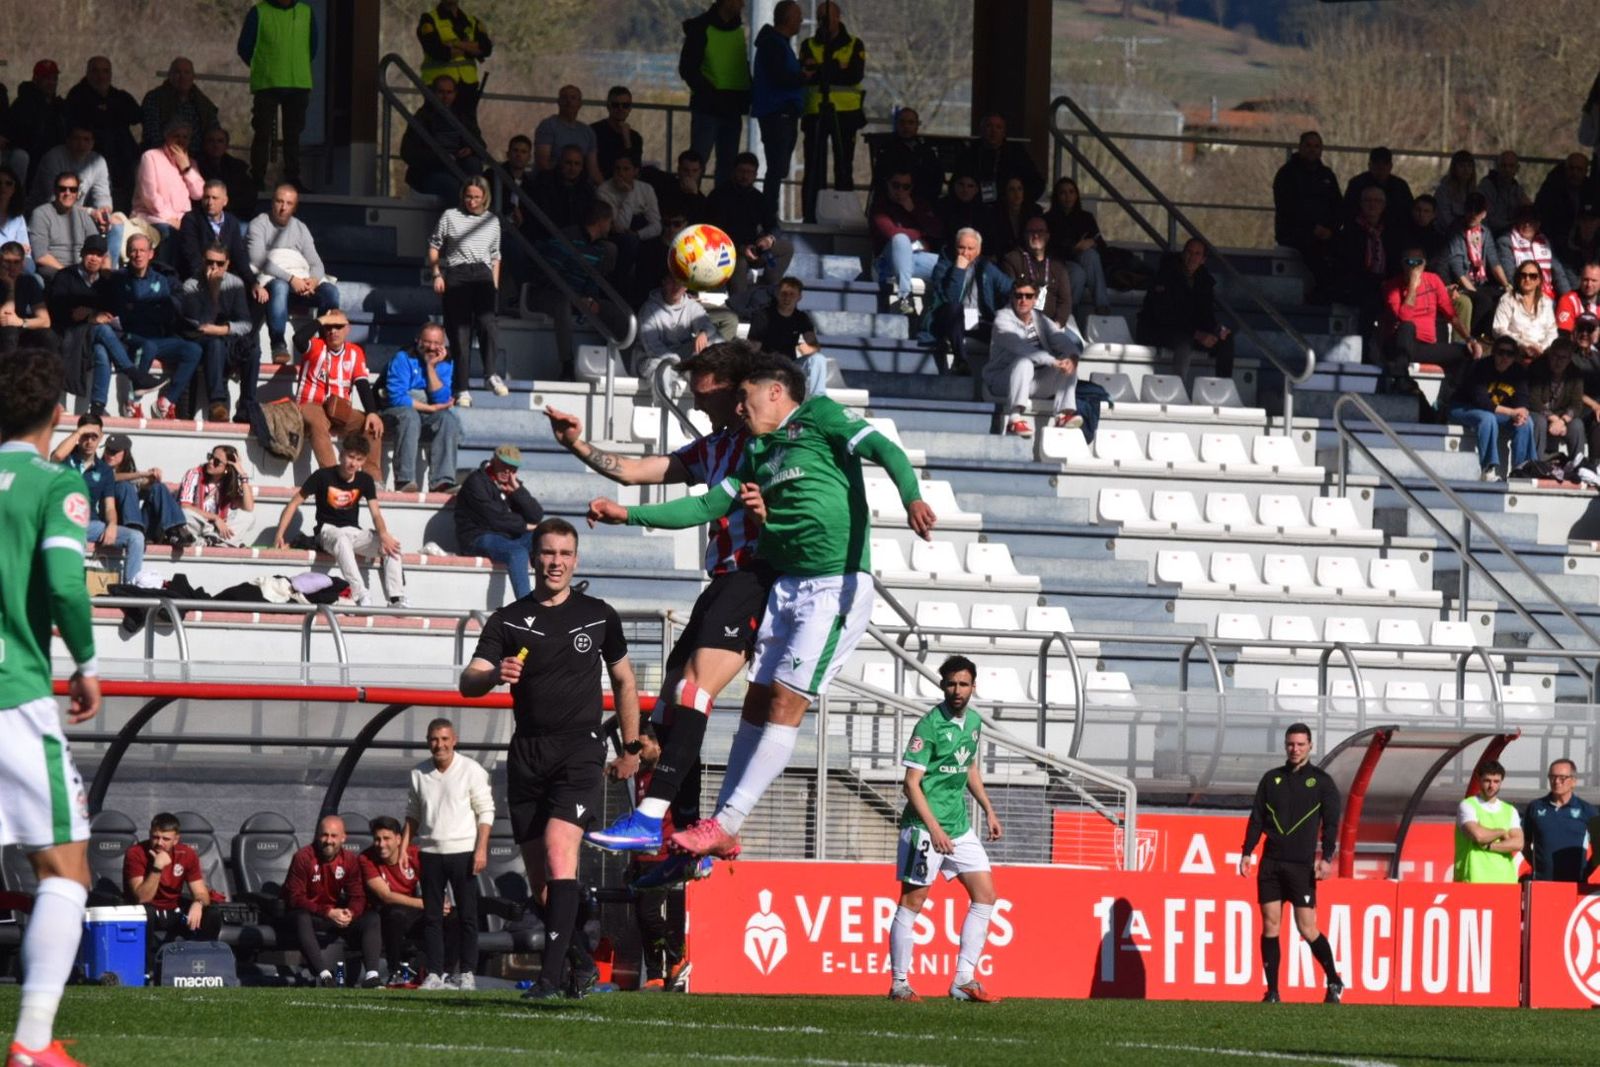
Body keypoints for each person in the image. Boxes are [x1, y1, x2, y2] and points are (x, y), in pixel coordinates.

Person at [588, 352, 936, 860]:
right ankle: (716, 827)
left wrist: (912, 497)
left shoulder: (820, 416)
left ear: (776, 392)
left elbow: (885, 449)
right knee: (755, 702)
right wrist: (629, 514)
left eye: (746, 398)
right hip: (787, 588)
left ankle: (725, 821)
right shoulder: (756, 452)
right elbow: (707, 505)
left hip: (834, 584)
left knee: (785, 703)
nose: (740, 409)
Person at [552, 345, 767, 879]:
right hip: (722, 582)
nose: (693, 389)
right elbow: (631, 470)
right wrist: (577, 443)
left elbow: (703, 506)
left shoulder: (758, 446)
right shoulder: (713, 446)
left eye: (701, 378)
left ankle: (654, 817)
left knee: (693, 692)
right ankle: (684, 835)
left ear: (728, 384)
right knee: (670, 703)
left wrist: (628, 516)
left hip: (755, 579)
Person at [459, 518, 643, 1000]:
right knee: (543, 886)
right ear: (534, 557)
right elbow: (468, 680)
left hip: (580, 749)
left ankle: (549, 980)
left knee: (563, 854)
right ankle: (581, 964)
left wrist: (630, 745)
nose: (555, 562)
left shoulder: (599, 615)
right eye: (547, 553)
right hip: (527, 755)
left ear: (575, 559)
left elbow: (624, 682)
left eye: (564, 553)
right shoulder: (509, 619)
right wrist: (496, 674)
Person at [0, 348, 100, 1067]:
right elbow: (66, 584)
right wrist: (88, 664)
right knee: (65, 871)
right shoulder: (55, 481)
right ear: (57, 413)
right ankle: (33, 1041)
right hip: (13, 696)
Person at [887, 656, 1003, 1004]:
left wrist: (988, 808)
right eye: (951, 684)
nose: (957, 690)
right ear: (942, 686)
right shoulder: (929, 725)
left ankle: (963, 980)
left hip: (959, 826)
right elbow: (911, 784)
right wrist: (934, 829)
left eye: (963, 684)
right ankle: (899, 984)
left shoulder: (974, 723)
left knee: (985, 896)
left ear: (973, 687)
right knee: (913, 902)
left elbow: (968, 766)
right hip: (924, 828)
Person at [1237, 722, 1344, 1004]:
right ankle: (1272, 991)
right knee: (1270, 925)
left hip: (1301, 865)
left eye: (1300, 744)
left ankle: (1333, 979)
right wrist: (1247, 851)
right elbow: (1257, 818)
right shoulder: (1271, 779)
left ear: (1310, 745)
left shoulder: (1321, 782)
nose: (1295, 749)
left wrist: (1327, 857)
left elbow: (1331, 825)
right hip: (1271, 863)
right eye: (1290, 744)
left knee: (1306, 927)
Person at [400, 718, 494, 991]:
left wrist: (481, 848)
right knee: (432, 916)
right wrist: (405, 848)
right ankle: (435, 973)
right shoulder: (419, 773)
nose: (439, 745)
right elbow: (413, 814)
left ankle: (466, 973)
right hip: (430, 853)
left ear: (454, 740)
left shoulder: (471, 770)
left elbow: (485, 811)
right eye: (433, 739)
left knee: (467, 915)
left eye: (444, 739)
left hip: (463, 852)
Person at [273, 433, 407, 607]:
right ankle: (360, 594)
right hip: (327, 531)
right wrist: (279, 534)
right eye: (351, 457)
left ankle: (396, 598)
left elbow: (376, 513)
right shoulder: (322, 476)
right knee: (342, 540)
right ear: (341, 454)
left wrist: (383, 535)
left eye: (359, 459)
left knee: (392, 542)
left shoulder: (365, 480)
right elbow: (294, 503)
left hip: (353, 532)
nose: (354, 463)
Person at [46, 236, 159, 419]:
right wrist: (89, 316)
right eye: (90, 253)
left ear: (104, 258)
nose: (94, 258)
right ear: (82, 254)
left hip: (93, 337)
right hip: (68, 333)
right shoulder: (65, 276)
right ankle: (133, 373)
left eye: (99, 255)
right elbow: (58, 311)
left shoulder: (106, 282)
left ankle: (97, 407)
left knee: (101, 351)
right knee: (102, 331)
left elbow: (111, 312)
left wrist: (94, 314)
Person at [986, 281, 1101, 440]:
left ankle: (1063, 415)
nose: (1023, 300)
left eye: (1028, 296)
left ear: (1035, 299)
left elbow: (1063, 341)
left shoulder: (1040, 319)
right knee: (1024, 362)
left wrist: (1072, 358)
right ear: (1012, 297)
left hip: (1034, 381)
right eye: (1019, 295)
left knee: (1068, 365)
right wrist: (1053, 361)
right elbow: (1023, 348)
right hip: (1002, 380)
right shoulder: (1002, 319)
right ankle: (1014, 418)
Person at [621, 726, 691, 990]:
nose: (640, 752)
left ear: (659, 747)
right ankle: (655, 975)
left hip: (663, 857)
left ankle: (676, 957)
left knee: (648, 912)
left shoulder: (668, 778)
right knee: (642, 917)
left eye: (644, 745)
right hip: (642, 858)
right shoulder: (640, 776)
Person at [282, 815, 383, 988]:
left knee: (372, 918)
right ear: (317, 836)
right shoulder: (303, 857)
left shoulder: (350, 860)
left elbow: (358, 896)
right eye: (324, 835)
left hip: (332, 916)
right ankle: (324, 976)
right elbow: (295, 898)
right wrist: (327, 912)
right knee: (301, 917)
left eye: (334, 836)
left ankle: (372, 976)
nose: (328, 840)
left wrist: (350, 913)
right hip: (310, 915)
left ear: (343, 838)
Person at [429, 176, 503, 403]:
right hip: (457, 273)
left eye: (477, 197)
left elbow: (495, 256)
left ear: (485, 198)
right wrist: (437, 274)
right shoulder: (450, 216)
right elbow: (434, 245)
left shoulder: (492, 221)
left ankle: (490, 373)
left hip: (482, 275)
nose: (472, 201)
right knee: (460, 333)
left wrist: (495, 284)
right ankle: (461, 387)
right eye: (469, 196)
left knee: (487, 325)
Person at [122, 812, 223, 977]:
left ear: (176, 839)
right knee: (145, 912)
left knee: (211, 914)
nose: (159, 843)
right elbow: (142, 897)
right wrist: (157, 868)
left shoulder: (186, 854)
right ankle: (146, 972)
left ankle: (200, 968)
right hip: (147, 913)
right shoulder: (136, 853)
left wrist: (198, 903)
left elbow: (201, 893)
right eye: (155, 837)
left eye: (165, 839)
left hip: (173, 913)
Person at [247, 183, 340, 363]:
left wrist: (313, 280)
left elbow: (316, 262)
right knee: (280, 286)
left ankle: (323, 341)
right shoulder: (258, 224)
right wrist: (291, 279)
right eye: (279, 202)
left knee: (331, 292)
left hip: (302, 282)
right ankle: (278, 343)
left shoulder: (300, 228)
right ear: (272, 202)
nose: (283, 208)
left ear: (295, 207)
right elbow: (259, 260)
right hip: (277, 283)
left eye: (289, 203)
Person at [115, 232, 202, 421]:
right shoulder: (120, 279)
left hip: (157, 336)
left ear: (151, 254)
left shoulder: (161, 280)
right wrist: (150, 307)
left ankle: (167, 401)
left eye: (142, 251)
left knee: (193, 350)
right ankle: (132, 401)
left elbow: (166, 312)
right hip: (131, 336)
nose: (138, 255)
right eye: (134, 251)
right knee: (148, 346)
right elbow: (125, 313)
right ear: (128, 254)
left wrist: (142, 307)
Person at [237, 0, 319, 190]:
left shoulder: (306, 12)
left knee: (293, 135)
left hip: (297, 83)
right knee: (262, 132)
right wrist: (263, 67)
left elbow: (312, 46)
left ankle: (292, 178)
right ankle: (257, 178)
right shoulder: (259, 12)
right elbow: (244, 47)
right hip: (268, 84)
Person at [1382, 245, 1481, 401]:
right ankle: (1400, 378)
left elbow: (1451, 315)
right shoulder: (1392, 286)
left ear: (1425, 263)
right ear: (1402, 264)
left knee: (1466, 353)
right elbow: (1404, 318)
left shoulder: (1433, 280)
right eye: (1409, 262)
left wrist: (1470, 339)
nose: (1414, 266)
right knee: (1408, 326)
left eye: (1418, 262)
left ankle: (1448, 398)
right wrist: (1413, 287)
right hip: (1401, 345)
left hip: (1425, 346)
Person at [291, 309, 384, 473]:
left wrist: (372, 412)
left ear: (347, 329)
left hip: (339, 411)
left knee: (371, 424)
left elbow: (362, 384)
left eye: (338, 326)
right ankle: (332, 475)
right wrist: (322, 319)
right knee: (317, 422)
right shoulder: (316, 346)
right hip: (310, 405)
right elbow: (298, 339)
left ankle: (372, 479)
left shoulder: (355, 352)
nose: (333, 331)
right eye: (329, 327)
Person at [798, 1, 866, 223]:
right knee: (813, 167)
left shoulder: (854, 44)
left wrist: (821, 69)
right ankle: (811, 215)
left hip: (846, 114)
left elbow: (854, 75)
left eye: (827, 17)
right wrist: (837, 67)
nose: (823, 22)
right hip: (815, 112)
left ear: (839, 18)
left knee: (844, 167)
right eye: (820, 18)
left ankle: (843, 216)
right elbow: (807, 72)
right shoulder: (809, 44)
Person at [453, 444, 544, 602]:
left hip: (506, 538)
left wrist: (517, 490)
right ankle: (527, 606)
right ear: (494, 461)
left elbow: (536, 515)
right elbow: (494, 518)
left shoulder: (509, 484)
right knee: (517, 553)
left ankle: (553, 594)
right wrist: (524, 526)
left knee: (546, 537)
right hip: (477, 537)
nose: (508, 471)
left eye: (513, 468)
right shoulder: (476, 481)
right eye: (504, 465)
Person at [178, 241, 255, 423]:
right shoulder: (191, 286)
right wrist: (214, 292)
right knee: (215, 343)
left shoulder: (235, 283)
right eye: (210, 262)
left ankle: (247, 404)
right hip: (202, 341)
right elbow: (201, 325)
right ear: (203, 262)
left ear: (227, 264)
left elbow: (246, 323)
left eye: (220, 264)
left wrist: (223, 329)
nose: (214, 267)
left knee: (253, 350)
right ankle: (217, 403)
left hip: (226, 337)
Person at [1137, 237, 1234, 382]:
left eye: (1197, 254)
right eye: (1189, 252)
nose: (1192, 257)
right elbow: (1164, 315)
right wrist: (1196, 334)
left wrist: (1217, 329)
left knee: (1226, 340)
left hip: (1189, 331)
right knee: (1184, 343)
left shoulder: (1204, 281)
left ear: (1203, 259)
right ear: (1183, 254)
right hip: (1157, 329)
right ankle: (1178, 388)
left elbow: (1206, 314)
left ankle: (1223, 386)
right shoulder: (1165, 275)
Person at [680, 0, 751, 188]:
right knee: (697, 164)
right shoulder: (701, 28)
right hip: (709, 108)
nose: (743, 4)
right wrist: (710, 93)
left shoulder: (737, 29)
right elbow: (687, 69)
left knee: (727, 167)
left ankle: (720, 211)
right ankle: (691, 207)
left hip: (730, 108)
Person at [384, 322, 461, 492]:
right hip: (391, 413)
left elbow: (441, 399)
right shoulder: (403, 358)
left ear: (443, 345)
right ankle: (405, 480)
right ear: (418, 340)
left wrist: (431, 367)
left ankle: (442, 481)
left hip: (422, 414)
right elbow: (396, 398)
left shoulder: (446, 363)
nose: (432, 347)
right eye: (427, 342)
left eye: (437, 343)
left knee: (447, 420)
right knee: (409, 416)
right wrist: (430, 408)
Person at [924, 227, 1012, 375]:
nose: (965, 253)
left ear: (978, 250)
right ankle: (960, 361)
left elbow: (1009, 287)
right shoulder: (943, 266)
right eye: (961, 247)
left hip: (978, 321)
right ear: (955, 247)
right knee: (954, 309)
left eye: (970, 249)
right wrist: (958, 270)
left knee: (1006, 329)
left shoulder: (986, 267)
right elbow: (951, 299)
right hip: (951, 321)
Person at [1448, 335, 1535, 481]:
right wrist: (1513, 412)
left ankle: (1521, 469)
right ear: (1494, 353)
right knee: (1487, 418)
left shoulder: (1518, 371)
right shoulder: (1480, 367)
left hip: (1495, 412)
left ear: (1515, 357)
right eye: (1501, 352)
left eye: (1510, 354)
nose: (1505, 357)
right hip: (1463, 407)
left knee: (1527, 423)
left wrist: (1522, 412)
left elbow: (1523, 399)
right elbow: (1481, 401)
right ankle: (1488, 468)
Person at [708, 152, 793, 299]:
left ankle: (767, 287)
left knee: (786, 247)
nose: (745, 176)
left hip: (756, 249)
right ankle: (741, 304)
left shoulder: (759, 198)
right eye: (741, 171)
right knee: (739, 264)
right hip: (728, 251)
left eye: (750, 172)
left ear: (755, 175)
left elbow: (773, 225)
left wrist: (769, 239)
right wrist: (740, 248)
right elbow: (714, 233)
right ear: (734, 171)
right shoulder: (719, 196)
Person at [359, 815, 431, 985]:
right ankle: (396, 972)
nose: (381, 844)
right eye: (377, 839)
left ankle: (444, 972)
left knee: (452, 917)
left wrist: (438, 904)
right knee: (395, 913)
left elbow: (433, 883)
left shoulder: (414, 854)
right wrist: (424, 904)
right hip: (384, 912)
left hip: (412, 909)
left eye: (386, 838)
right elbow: (386, 896)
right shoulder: (366, 858)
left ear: (399, 839)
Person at [750, 2, 806, 221]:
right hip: (777, 112)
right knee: (776, 166)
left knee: (778, 167)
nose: (801, 21)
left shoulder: (778, 44)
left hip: (781, 112)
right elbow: (780, 76)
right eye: (798, 17)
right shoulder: (773, 45)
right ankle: (768, 214)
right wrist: (803, 77)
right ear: (788, 18)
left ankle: (768, 212)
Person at [63, 57, 140, 210]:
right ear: (88, 73)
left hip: (123, 158)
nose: (101, 76)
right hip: (91, 154)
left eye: (105, 71)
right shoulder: (77, 95)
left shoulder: (118, 96)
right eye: (96, 71)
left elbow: (136, 115)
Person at [1272, 131, 1341, 299]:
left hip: (1325, 231)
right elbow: (1287, 208)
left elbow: (1338, 205)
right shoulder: (1286, 175)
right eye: (1308, 146)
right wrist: (1312, 228)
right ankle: (1320, 295)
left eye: (1317, 146)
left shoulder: (1327, 175)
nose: (1312, 150)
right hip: (1295, 232)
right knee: (1318, 254)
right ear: (1300, 147)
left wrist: (1331, 228)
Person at [101, 433, 195, 549]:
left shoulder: (131, 473)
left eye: (114, 452)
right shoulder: (98, 469)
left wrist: (151, 480)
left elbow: (141, 486)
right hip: (118, 525)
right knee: (125, 486)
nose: (110, 455)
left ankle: (176, 530)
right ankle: (135, 532)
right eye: (108, 450)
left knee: (158, 487)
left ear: (125, 453)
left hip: (140, 526)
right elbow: (111, 477)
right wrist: (142, 474)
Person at [871, 167, 942, 315]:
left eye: (905, 187)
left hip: (917, 259)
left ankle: (943, 309)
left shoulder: (918, 205)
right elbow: (891, 232)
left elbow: (936, 230)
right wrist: (919, 232)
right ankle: (904, 298)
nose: (900, 191)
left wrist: (914, 210)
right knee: (901, 239)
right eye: (896, 185)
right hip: (889, 261)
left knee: (949, 266)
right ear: (888, 184)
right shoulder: (880, 206)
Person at [400, 75, 483, 201]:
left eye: (449, 92)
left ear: (455, 94)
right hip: (431, 173)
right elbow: (408, 151)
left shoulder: (462, 115)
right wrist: (439, 158)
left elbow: (480, 144)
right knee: (455, 189)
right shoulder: (423, 116)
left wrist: (470, 149)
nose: (445, 97)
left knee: (474, 168)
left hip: (458, 168)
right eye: (441, 92)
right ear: (433, 93)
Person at [1440, 193, 1508, 340]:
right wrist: (1474, 291)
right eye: (1469, 210)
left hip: (1480, 281)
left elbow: (1494, 262)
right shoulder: (1456, 231)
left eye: (1477, 211)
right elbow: (1456, 267)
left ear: (1484, 214)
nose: (1472, 215)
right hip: (1460, 284)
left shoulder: (1485, 232)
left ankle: (1488, 337)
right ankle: (1471, 337)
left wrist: (1507, 285)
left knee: (1502, 296)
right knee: (1483, 301)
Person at [595, 155, 661, 301]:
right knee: (629, 242)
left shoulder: (646, 189)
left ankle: (644, 299)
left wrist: (638, 234)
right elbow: (620, 226)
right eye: (617, 169)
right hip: (614, 234)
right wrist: (628, 194)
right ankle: (619, 294)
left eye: (626, 169)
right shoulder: (604, 190)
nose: (621, 173)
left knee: (651, 247)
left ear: (635, 171)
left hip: (638, 233)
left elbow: (657, 225)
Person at [748, 276, 826, 399]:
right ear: (777, 294)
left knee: (818, 359)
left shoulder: (801, 317)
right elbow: (753, 347)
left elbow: (814, 345)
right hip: (766, 364)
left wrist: (809, 349)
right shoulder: (763, 315)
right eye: (784, 293)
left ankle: (819, 399)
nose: (787, 297)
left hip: (790, 365)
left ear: (799, 297)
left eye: (792, 294)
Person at [416, 1, 493, 124]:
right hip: (438, 88)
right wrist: (470, 48)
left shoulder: (472, 21)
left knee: (468, 131)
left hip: (467, 87)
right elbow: (438, 51)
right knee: (435, 128)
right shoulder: (429, 19)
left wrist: (455, 44)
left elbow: (486, 49)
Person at [1043, 177, 1110, 315]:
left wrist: (1092, 242)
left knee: (1091, 255)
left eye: (1071, 192)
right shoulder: (1048, 219)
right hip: (1059, 262)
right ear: (1057, 196)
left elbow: (1103, 247)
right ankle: (1067, 313)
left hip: (1082, 259)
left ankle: (1102, 306)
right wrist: (1072, 248)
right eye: (1063, 193)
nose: (1068, 196)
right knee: (1078, 273)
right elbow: (1048, 250)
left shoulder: (1086, 217)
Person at [1523, 759, 1597, 883]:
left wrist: (1585, 871)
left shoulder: (1587, 810)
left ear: (1573, 781)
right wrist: (1538, 867)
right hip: (1542, 883)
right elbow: (1525, 844)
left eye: (1562, 777)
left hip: (1574, 886)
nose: (1556, 781)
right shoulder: (1535, 807)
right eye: (1552, 777)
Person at [635, 270, 715, 380]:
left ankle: (698, 388)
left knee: (711, 344)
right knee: (663, 370)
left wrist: (703, 332)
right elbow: (651, 347)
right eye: (672, 281)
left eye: (680, 282)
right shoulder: (648, 310)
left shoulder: (691, 306)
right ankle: (663, 397)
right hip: (651, 359)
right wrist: (679, 362)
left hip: (681, 358)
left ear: (686, 286)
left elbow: (706, 323)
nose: (676, 286)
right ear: (664, 282)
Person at [1453, 760, 1524, 884]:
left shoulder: (1510, 810)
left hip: (1505, 880)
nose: (1492, 786)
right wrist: (1501, 832)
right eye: (1487, 781)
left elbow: (1518, 843)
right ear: (1479, 779)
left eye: (1496, 781)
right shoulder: (1468, 805)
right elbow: (1478, 836)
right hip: (1473, 879)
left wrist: (1490, 846)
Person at [27, 127, 112, 226]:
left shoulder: (98, 161)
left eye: (86, 140)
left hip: (78, 216)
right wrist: (90, 212)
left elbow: (102, 196)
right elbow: (55, 201)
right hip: (47, 215)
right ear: (68, 140)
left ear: (93, 143)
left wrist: (104, 211)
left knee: (115, 223)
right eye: (76, 139)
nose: (81, 144)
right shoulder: (53, 157)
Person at [176, 443, 255, 547]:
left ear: (227, 468)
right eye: (210, 457)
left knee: (248, 517)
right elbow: (184, 506)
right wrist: (215, 518)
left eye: (217, 462)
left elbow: (248, 507)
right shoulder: (194, 473)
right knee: (184, 513)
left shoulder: (229, 484)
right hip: (198, 524)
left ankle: (210, 540)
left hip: (217, 529)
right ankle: (220, 541)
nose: (210, 462)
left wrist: (242, 475)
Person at [956, 112, 1043, 207]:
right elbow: (957, 181)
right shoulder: (970, 152)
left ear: (1004, 132)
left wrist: (1018, 200)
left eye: (998, 127)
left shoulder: (1016, 153)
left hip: (1007, 207)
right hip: (974, 204)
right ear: (981, 130)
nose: (993, 131)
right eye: (989, 126)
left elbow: (1037, 183)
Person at [28, 171, 101, 281]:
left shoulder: (83, 216)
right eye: (63, 189)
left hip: (83, 270)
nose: (68, 193)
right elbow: (40, 255)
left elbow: (99, 247)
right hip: (54, 271)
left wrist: (106, 271)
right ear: (55, 191)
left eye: (73, 189)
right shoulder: (41, 214)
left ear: (78, 193)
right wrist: (70, 274)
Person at [176, 179, 251, 286]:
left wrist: (253, 283)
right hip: (197, 279)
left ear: (225, 201)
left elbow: (239, 255)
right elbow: (192, 255)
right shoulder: (191, 219)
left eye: (215, 198)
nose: (210, 202)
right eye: (207, 197)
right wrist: (207, 279)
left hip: (225, 277)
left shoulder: (232, 222)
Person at [1001, 217, 1071, 330]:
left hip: (1052, 325)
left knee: (1076, 344)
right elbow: (1010, 296)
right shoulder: (1013, 260)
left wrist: (1056, 326)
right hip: (1022, 325)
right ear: (1025, 235)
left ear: (1048, 236)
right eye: (1031, 232)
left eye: (1040, 231)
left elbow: (1065, 301)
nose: (1036, 235)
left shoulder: (1057, 264)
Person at [8, 60, 68, 187]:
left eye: (54, 78)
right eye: (46, 78)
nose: (51, 83)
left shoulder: (59, 106)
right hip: (33, 161)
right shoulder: (23, 104)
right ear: (35, 79)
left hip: (56, 159)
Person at [140, 57, 219, 152]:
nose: (182, 77)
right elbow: (152, 134)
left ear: (193, 77)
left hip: (198, 158)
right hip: (162, 155)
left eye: (187, 72)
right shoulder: (155, 99)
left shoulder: (203, 103)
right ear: (170, 75)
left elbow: (214, 130)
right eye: (177, 72)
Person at [872, 107, 945, 206]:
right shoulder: (887, 150)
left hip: (922, 202)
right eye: (902, 122)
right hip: (892, 203)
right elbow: (880, 182)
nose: (906, 126)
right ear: (897, 125)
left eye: (910, 123)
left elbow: (937, 178)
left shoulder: (926, 151)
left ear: (917, 125)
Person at [1497, 206, 1573, 301]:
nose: (1527, 225)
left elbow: (1558, 274)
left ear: (1538, 224)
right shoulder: (1506, 241)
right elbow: (1510, 275)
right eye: (1523, 221)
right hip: (1522, 294)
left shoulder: (1545, 241)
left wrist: (1569, 299)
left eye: (1531, 222)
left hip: (1548, 295)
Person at [534, 85, 601, 184]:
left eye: (573, 98)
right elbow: (543, 163)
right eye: (564, 98)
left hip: (579, 188)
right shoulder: (548, 125)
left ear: (580, 104)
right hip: (549, 185)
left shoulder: (588, 132)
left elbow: (593, 169)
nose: (569, 101)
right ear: (559, 102)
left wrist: (607, 192)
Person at [1494, 259, 1559, 360]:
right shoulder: (1507, 299)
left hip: (1541, 355)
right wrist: (1522, 345)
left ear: (1539, 280)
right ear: (1518, 277)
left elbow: (1552, 332)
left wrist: (1541, 348)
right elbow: (1498, 329)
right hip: (1514, 354)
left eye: (1532, 276)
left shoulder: (1546, 302)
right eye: (1523, 275)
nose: (1527, 279)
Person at [1342, 146, 1412, 231]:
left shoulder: (1400, 186)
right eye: (1377, 165)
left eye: (1384, 165)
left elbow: (1408, 213)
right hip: (1360, 232)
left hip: (1393, 232)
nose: (1380, 169)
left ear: (1390, 166)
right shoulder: (1357, 184)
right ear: (1370, 165)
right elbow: (1348, 212)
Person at [0, 241, 53, 353]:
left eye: (16, 262)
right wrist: (10, 286)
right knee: (10, 332)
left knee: (49, 336)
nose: (12, 267)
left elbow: (45, 321)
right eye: (7, 262)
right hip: (4, 328)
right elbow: (5, 317)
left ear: (23, 263)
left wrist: (21, 322)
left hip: (19, 325)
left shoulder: (28, 281)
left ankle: (48, 370)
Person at [196, 127, 256, 222]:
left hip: (234, 217)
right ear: (204, 144)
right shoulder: (195, 167)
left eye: (220, 141)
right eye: (211, 141)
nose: (215, 145)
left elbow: (248, 198)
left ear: (226, 145)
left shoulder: (238, 168)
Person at [591, 86, 644, 180]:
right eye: (616, 105)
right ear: (608, 106)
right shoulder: (594, 131)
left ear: (630, 108)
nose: (620, 108)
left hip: (626, 187)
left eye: (625, 105)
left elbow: (635, 171)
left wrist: (627, 140)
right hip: (600, 185)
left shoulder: (635, 137)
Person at [988, 176, 1042, 261]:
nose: (1016, 193)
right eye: (1011, 189)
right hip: (1003, 258)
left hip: (1027, 258)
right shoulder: (996, 213)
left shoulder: (1032, 212)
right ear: (1005, 193)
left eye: (1019, 189)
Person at [1479, 150, 1528, 236]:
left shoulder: (1516, 188)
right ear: (1497, 167)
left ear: (1517, 169)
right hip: (1490, 235)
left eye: (1511, 166)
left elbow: (1528, 210)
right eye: (1503, 166)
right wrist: (1513, 225)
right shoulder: (1487, 186)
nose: (1507, 170)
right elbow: (1488, 219)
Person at [937, 173, 987, 256]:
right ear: (954, 186)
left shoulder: (984, 212)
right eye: (961, 184)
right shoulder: (942, 207)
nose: (965, 190)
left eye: (970, 186)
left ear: (977, 189)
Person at [1433, 150, 1479, 236]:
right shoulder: (1443, 190)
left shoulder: (1475, 191)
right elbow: (1445, 219)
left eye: (1469, 166)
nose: (1466, 170)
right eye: (1462, 166)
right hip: (1446, 235)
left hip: (1471, 233)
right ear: (1454, 168)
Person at [1556, 262, 1600, 337]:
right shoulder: (1568, 300)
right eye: (1586, 280)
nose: (1589, 284)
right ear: (1580, 280)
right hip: (1574, 346)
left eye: (1594, 280)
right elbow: (1564, 335)